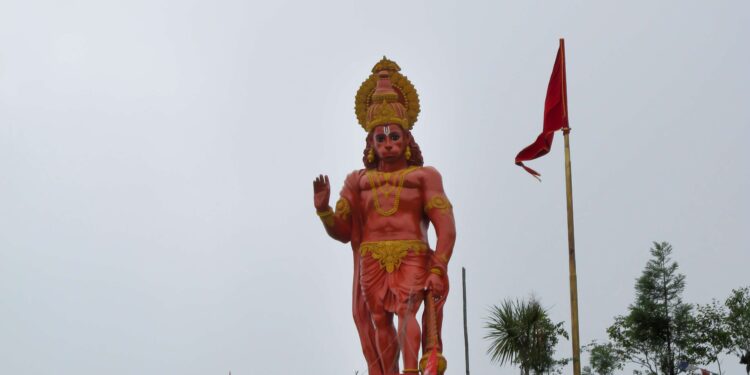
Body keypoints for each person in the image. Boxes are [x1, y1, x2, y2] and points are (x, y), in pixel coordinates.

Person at [313, 57, 456, 375]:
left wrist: (438, 267)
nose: (388, 143)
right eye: (381, 138)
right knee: (378, 320)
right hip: (371, 261)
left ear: (406, 140)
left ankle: (410, 371)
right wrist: (323, 210)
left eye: (394, 137)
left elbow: (446, 228)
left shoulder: (424, 178)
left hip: (411, 255)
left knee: (407, 313)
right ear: (371, 143)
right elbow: (344, 230)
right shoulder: (358, 182)